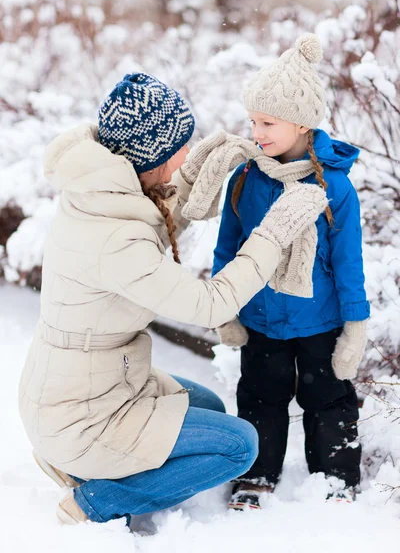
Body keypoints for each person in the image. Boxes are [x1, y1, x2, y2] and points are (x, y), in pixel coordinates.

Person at [18, 72, 327, 525]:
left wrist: (195, 174)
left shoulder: (100, 189)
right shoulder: (115, 242)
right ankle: (94, 501)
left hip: (87, 385)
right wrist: (272, 236)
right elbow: (210, 303)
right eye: (180, 147)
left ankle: (81, 465)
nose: (185, 151)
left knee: (208, 409)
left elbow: (147, 219)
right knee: (237, 445)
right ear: (152, 157)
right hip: (83, 415)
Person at [208, 34, 370, 509]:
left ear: (301, 122)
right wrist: (226, 308)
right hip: (261, 319)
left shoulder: (334, 188)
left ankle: (335, 478)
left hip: (320, 320)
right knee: (260, 398)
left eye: (268, 122)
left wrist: (355, 326)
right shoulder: (245, 180)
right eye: (253, 120)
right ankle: (257, 475)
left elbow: (348, 265)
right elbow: (228, 248)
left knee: (329, 401)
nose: (256, 132)